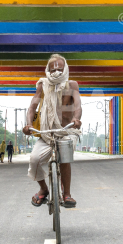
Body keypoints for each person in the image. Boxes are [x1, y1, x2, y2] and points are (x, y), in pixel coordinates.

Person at [23, 54, 82, 208]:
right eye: (52, 68)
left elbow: (78, 106)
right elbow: (32, 107)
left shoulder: (72, 85)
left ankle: (66, 194)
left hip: (67, 131)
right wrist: (28, 124)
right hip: (46, 133)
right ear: (47, 70)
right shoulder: (42, 85)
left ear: (66, 69)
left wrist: (76, 119)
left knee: (65, 157)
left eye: (60, 68)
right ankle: (43, 188)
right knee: (35, 160)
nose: (56, 71)